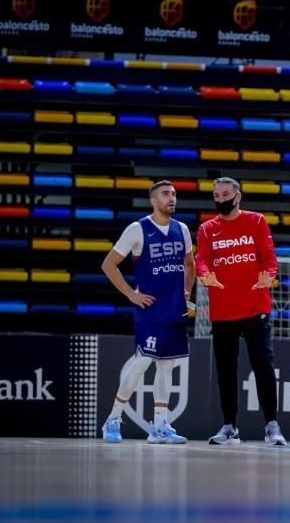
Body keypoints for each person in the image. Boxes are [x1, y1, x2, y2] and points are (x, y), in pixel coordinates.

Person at [100, 180, 194, 444]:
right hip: (150, 309)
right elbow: (108, 264)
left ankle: (160, 426)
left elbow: (190, 264)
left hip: (175, 309)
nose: (171, 198)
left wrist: (187, 291)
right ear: (154, 201)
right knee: (143, 362)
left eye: (174, 194)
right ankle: (113, 418)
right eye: (165, 194)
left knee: (167, 366)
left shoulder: (181, 229)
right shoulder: (137, 229)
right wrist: (131, 294)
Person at [195, 177, 286, 446]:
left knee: (263, 366)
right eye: (216, 195)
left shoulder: (256, 221)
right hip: (223, 311)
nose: (220, 199)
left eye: (225, 194)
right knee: (226, 370)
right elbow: (201, 260)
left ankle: (272, 425)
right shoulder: (206, 229)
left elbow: (269, 258)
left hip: (255, 307)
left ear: (237, 197)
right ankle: (229, 427)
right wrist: (205, 274)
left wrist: (268, 276)